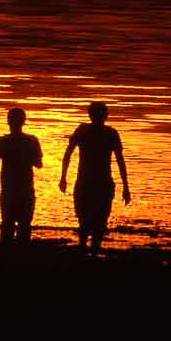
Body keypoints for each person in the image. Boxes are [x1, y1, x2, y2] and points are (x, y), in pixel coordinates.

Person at [59, 101, 131, 254]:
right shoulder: (107, 133)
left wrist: (63, 177)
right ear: (105, 115)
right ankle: (91, 249)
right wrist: (125, 186)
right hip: (97, 182)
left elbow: (68, 154)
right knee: (95, 220)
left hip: (92, 182)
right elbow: (120, 160)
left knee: (88, 219)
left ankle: (86, 248)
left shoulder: (89, 131)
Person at [0, 107, 43, 245]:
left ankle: (6, 253)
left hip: (9, 188)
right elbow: (39, 164)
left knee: (7, 222)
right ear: (24, 122)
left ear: (8, 122)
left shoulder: (1, 141)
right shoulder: (32, 140)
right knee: (25, 223)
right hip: (25, 188)